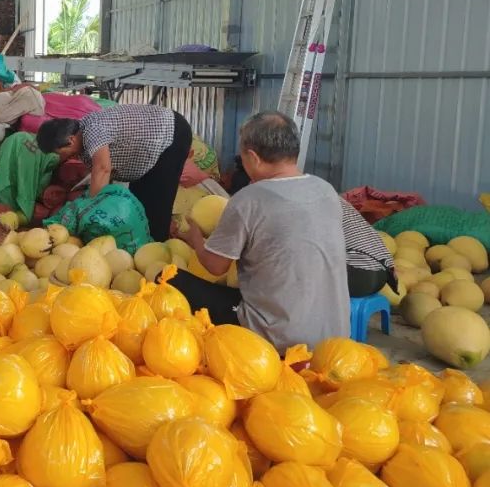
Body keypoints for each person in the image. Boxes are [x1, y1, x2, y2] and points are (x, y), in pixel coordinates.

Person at [172, 111, 353, 350]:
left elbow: (216, 268)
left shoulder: (249, 200)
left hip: (278, 338)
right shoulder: (326, 190)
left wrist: (195, 240)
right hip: (335, 339)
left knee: (168, 278)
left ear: (254, 158)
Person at [35, 104, 192, 241]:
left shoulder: (92, 130)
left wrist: (91, 211)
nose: (59, 157)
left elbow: (103, 169)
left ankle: (158, 255)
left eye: (58, 152)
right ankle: (143, 246)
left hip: (171, 135)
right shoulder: (82, 140)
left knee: (156, 207)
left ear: (70, 140)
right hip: (149, 152)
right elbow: (104, 175)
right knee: (137, 207)